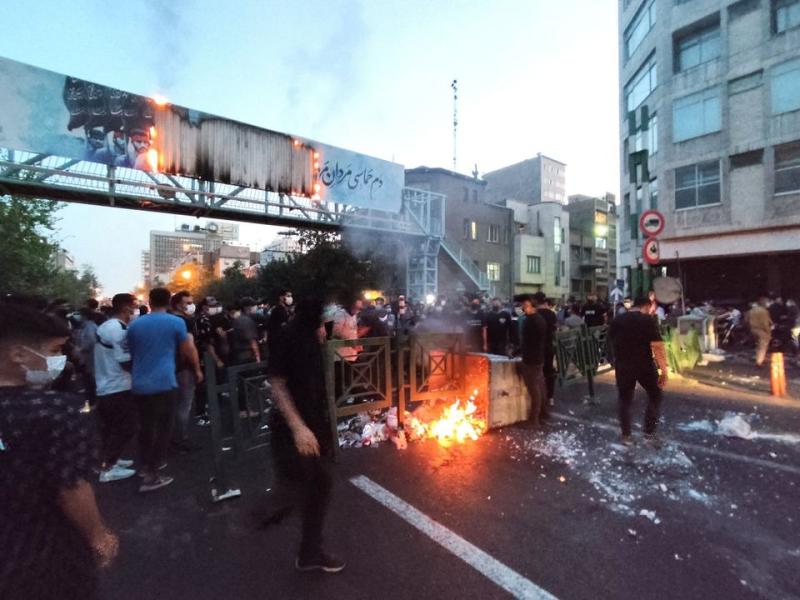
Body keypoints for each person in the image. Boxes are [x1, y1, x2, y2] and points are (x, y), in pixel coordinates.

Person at [0, 304, 118, 599]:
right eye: (54, 350)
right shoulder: (57, 410)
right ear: (18, 354)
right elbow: (72, 488)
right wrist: (98, 538)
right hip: (42, 554)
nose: (60, 360)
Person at [265, 295, 345, 573]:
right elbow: (276, 384)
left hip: (312, 425)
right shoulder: (289, 335)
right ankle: (260, 518)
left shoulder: (313, 336)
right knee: (297, 489)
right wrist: (298, 428)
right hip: (292, 430)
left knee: (317, 485)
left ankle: (310, 551)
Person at [128, 287, 203, 493]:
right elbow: (188, 349)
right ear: (169, 302)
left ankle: (144, 467)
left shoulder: (135, 325)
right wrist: (197, 370)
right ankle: (153, 475)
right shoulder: (176, 322)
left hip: (139, 383)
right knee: (163, 428)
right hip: (164, 381)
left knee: (145, 427)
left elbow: (133, 352)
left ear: (150, 302)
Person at [608, 296, 669, 446]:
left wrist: (614, 361)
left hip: (623, 365)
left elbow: (608, 342)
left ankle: (626, 436)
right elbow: (658, 347)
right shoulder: (648, 321)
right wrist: (663, 370)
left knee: (624, 400)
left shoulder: (617, 320)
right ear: (646, 306)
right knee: (655, 395)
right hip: (644, 365)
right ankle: (649, 433)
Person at [94, 293, 138, 483]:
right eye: (133, 306)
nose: (134, 310)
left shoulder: (106, 325)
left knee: (112, 428)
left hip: (106, 384)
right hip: (117, 385)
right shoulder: (118, 329)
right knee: (125, 427)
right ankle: (108, 468)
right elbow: (124, 361)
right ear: (125, 307)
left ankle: (112, 460)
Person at [169, 290, 202, 452]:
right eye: (187, 303)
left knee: (173, 405)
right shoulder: (184, 322)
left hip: (169, 369)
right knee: (184, 405)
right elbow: (189, 348)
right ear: (177, 305)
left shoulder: (167, 320)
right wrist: (197, 369)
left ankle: (172, 436)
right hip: (184, 368)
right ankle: (180, 439)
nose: (191, 305)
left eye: (191, 302)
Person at [516, 294, 548, 426]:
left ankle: (534, 420)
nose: (523, 308)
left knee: (534, 389)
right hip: (537, 357)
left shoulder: (531, 321)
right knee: (540, 387)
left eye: (526, 306)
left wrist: (519, 351)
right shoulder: (538, 319)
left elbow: (528, 341)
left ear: (532, 307)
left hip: (531, 359)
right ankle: (543, 414)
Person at [533, 293, 558, 407]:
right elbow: (554, 330)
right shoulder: (552, 314)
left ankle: (538, 399)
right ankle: (550, 397)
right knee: (549, 371)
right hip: (549, 346)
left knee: (536, 373)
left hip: (537, 347)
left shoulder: (534, 314)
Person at [230, 297, 261, 366]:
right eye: (253, 306)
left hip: (240, 354)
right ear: (247, 307)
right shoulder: (245, 320)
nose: (255, 307)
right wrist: (257, 356)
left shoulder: (238, 319)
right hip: (247, 355)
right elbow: (252, 340)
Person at [746, 297, 773, 367]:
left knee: (757, 345)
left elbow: (746, 320)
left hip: (753, 329)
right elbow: (765, 323)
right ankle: (759, 362)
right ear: (764, 303)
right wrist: (768, 332)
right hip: (762, 331)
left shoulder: (751, 310)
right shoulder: (764, 311)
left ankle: (758, 358)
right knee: (762, 347)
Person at [267, 289, 293, 359]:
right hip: (279, 343)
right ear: (281, 297)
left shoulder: (286, 310)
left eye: (291, 296)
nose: (290, 298)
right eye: (288, 296)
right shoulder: (278, 310)